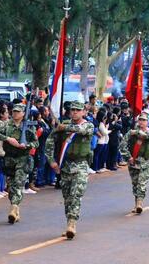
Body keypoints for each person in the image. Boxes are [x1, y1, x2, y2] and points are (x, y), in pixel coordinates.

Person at [45, 101, 94, 239]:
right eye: (72, 110)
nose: (74, 112)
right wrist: (52, 161)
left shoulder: (88, 125)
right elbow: (50, 141)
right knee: (67, 197)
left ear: (83, 112)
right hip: (65, 165)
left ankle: (72, 224)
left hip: (81, 165)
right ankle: (69, 223)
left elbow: (83, 130)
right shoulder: (63, 126)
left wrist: (65, 127)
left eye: (78, 110)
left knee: (76, 194)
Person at [0, 103, 39, 224]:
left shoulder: (28, 126)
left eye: (18, 112)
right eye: (14, 111)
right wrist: (7, 139)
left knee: (18, 183)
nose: (15, 113)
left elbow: (35, 143)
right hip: (9, 159)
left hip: (23, 158)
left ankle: (13, 209)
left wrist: (27, 145)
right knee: (11, 187)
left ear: (23, 113)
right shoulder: (6, 124)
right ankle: (15, 208)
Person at [120, 112, 149, 214]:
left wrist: (135, 132)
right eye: (140, 120)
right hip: (133, 161)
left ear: (147, 122)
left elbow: (147, 136)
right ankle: (136, 204)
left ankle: (139, 203)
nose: (142, 122)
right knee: (135, 183)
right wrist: (128, 157)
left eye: (144, 120)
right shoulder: (131, 133)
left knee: (141, 183)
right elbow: (122, 145)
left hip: (146, 162)